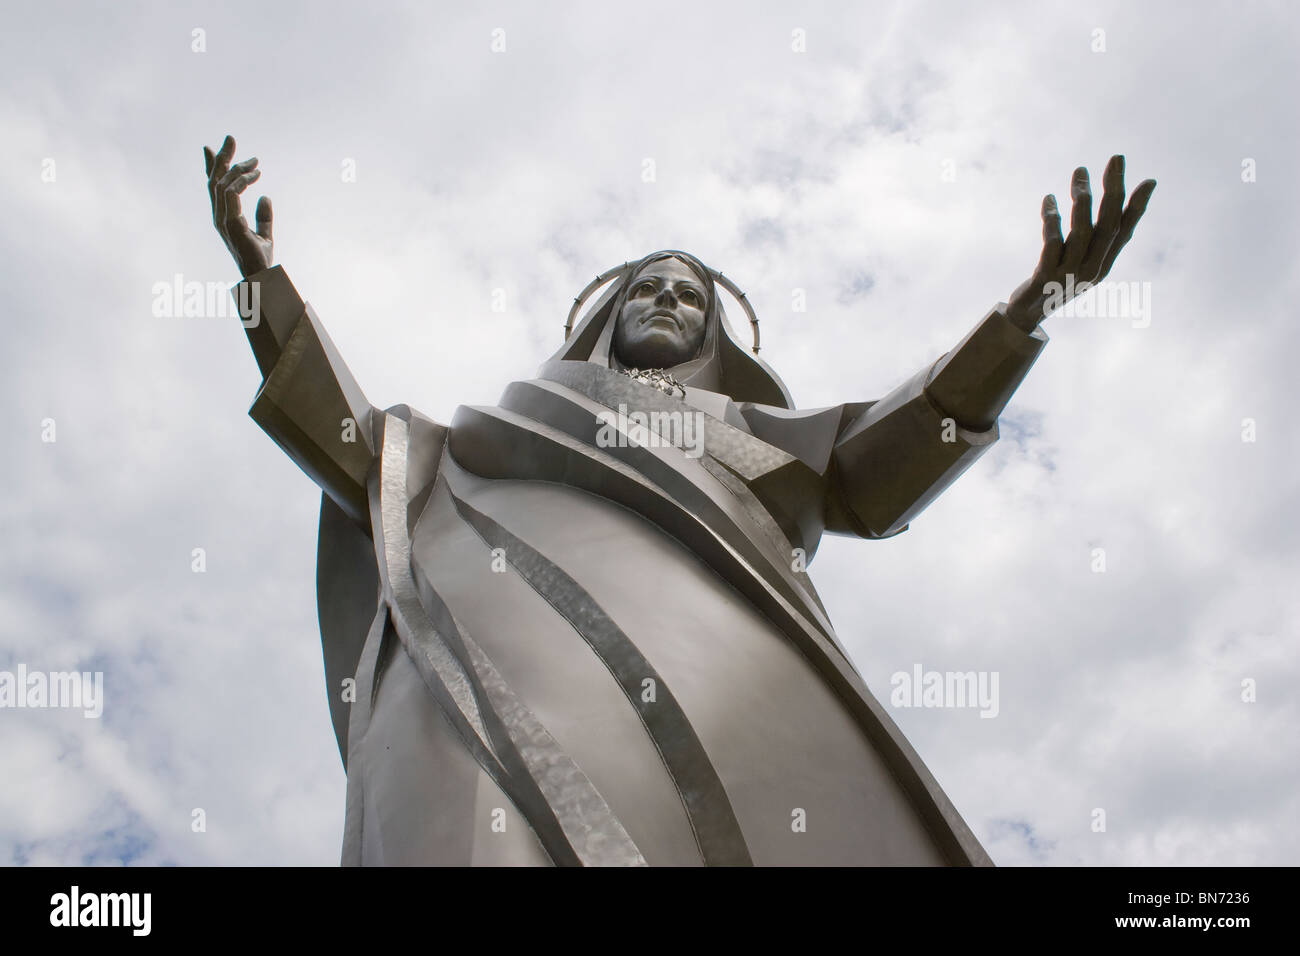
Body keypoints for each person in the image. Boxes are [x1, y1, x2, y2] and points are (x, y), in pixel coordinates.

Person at [203, 135, 1154, 866]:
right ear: (608, 316)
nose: (665, 301)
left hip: (727, 695)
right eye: (647, 289)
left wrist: (1024, 314)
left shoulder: (749, 431)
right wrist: (260, 282)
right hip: (480, 668)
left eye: (686, 295)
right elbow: (354, 448)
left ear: (710, 333)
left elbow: (883, 461)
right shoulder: (480, 440)